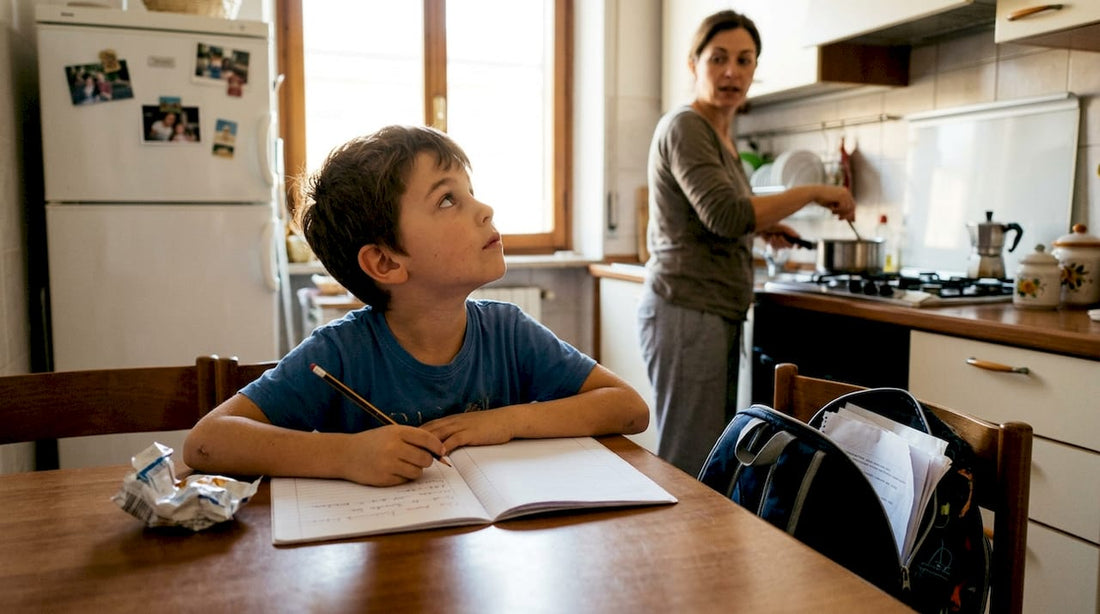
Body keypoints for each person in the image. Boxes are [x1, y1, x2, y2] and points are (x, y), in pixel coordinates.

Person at [184, 125, 649, 486]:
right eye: (448, 199)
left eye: (470, 191)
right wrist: (348, 456)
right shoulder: (341, 352)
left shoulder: (508, 332)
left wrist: (506, 421)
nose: (484, 208)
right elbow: (207, 442)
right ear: (386, 262)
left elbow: (629, 409)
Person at [638, 10, 856, 477]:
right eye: (718, 58)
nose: (732, 71)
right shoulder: (686, 127)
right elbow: (727, 214)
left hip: (710, 309)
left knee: (708, 459)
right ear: (693, 63)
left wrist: (762, 227)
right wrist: (815, 191)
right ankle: (679, 552)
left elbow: (723, 216)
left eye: (744, 60)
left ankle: (702, 550)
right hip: (687, 308)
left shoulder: (720, 135)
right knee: (688, 462)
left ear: (755, 69)